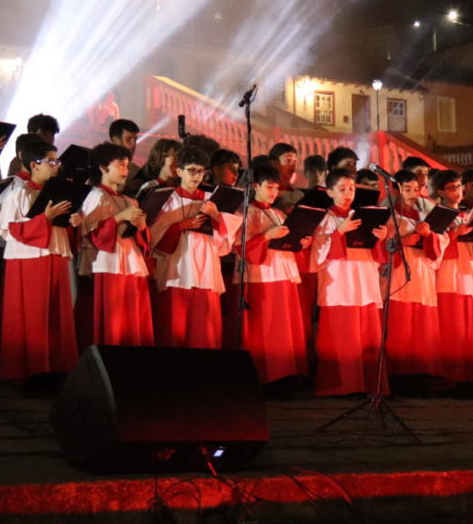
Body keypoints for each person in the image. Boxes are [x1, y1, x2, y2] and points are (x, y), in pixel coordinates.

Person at [0, 135, 81, 382]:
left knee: (57, 314)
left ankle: (56, 367)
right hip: (30, 260)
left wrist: (74, 222)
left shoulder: (58, 191)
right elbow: (10, 229)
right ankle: (32, 370)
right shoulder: (19, 193)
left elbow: (62, 226)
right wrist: (45, 219)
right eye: (51, 162)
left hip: (54, 253)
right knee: (34, 315)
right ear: (34, 165)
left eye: (56, 162)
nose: (57, 166)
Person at [311, 168, 392, 395]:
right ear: (329, 192)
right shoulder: (323, 219)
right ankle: (341, 386)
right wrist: (338, 232)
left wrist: (380, 237)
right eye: (342, 189)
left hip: (364, 279)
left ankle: (368, 384)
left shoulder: (362, 215)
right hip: (338, 282)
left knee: (367, 336)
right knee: (342, 337)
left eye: (352, 188)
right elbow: (316, 252)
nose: (348, 193)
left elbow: (378, 255)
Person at [147, 146, 231, 349]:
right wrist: (179, 226)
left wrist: (216, 216)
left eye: (201, 171)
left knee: (204, 332)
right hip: (177, 270)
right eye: (192, 170)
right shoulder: (167, 199)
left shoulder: (211, 200)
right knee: (175, 329)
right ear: (179, 171)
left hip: (206, 271)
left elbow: (228, 241)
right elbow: (153, 236)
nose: (197, 176)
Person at [78, 142, 155, 347]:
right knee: (115, 317)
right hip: (109, 260)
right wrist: (119, 217)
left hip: (131, 258)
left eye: (127, 166)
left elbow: (142, 237)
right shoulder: (96, 195)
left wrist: (140, 226)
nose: (125, 170)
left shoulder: (130, 200)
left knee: (134, 315)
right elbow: (89, 232)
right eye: (120, 165)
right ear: (103, 168)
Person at [238, 160, 309, 382]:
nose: (274, 192)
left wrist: (300, 242)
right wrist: (267, 236)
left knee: (284, 330)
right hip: (261, 277)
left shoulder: (279, 213)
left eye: (277, 187)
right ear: (255, 186)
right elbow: (240, 247)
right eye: (269, 186)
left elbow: (289, 244)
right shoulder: (245, 212)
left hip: (283, 274)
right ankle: (264, 377)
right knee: (265, 330)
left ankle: (286, 375)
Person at [431, 170, 473, 386]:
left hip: (468, 270)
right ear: (440, 191)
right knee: (453, 325)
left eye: (459, 187)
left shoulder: (467, 214)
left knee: (472, 324)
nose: (457, 192)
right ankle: (452, 377)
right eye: (451, 188)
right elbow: (432, 246)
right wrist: (453, 235)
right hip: (448, 272)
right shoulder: (437, 214)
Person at [385, 169, 444, 377]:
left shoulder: (423, 215)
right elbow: (382, 247)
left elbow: (437, 250)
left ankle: (423, 373)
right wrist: (403, 242)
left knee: (422, 325)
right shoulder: (389, 216)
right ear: (395, 189)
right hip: (401, 274)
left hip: (422, 272)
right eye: (407, 189)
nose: (412, 194)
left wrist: (429, 236)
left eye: (415, 189)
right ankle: (400, 374)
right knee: (402, 324)